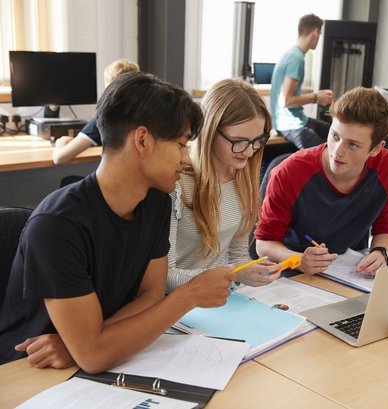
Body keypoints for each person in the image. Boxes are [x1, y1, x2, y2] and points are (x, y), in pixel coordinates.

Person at [0, 72, 235, 371]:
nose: (186, 159)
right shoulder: (56, 226)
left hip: (102, 357)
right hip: (28, 369)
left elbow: (151, 295)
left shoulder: (156, 201)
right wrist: (188, 297)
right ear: (141, 140)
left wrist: (90, 343)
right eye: (180, 144)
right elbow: (94, 357)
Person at [255, 87, 388, 277]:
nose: (338, 152)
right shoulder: (289, 173)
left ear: (376, 149)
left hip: (350, 271)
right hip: (294, 274)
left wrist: (381, 252)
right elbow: (263, 244)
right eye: (335, 136)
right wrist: (299, 260)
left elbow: (387, 226)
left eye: (353, 145)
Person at [167, 79, 282, 291]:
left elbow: (237, 256)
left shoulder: (242, 179)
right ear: (210, 132)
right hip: (179, 305)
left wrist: (252, 270)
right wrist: (233, 273)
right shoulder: (177, 183)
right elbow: (165, 277)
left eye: (257, 140)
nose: (249, 152)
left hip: (221, 298)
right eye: (238, 141)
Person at [52, 58, 139, 165]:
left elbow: (59, 158)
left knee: (68, 180)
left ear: (109, 87)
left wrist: (60, 143)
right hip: (140, 180)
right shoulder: (147, 115)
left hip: (113, 180)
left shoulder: (105, 118)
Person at [270, 13, 334, 149]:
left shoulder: (291, 54)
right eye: (320, 34)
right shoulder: (296, 59)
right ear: (316, 32)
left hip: (293, 120)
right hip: (289, 124)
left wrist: (318, 95)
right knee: (325, 153)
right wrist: (317, 97)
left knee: (334, 132)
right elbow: (286, 100)